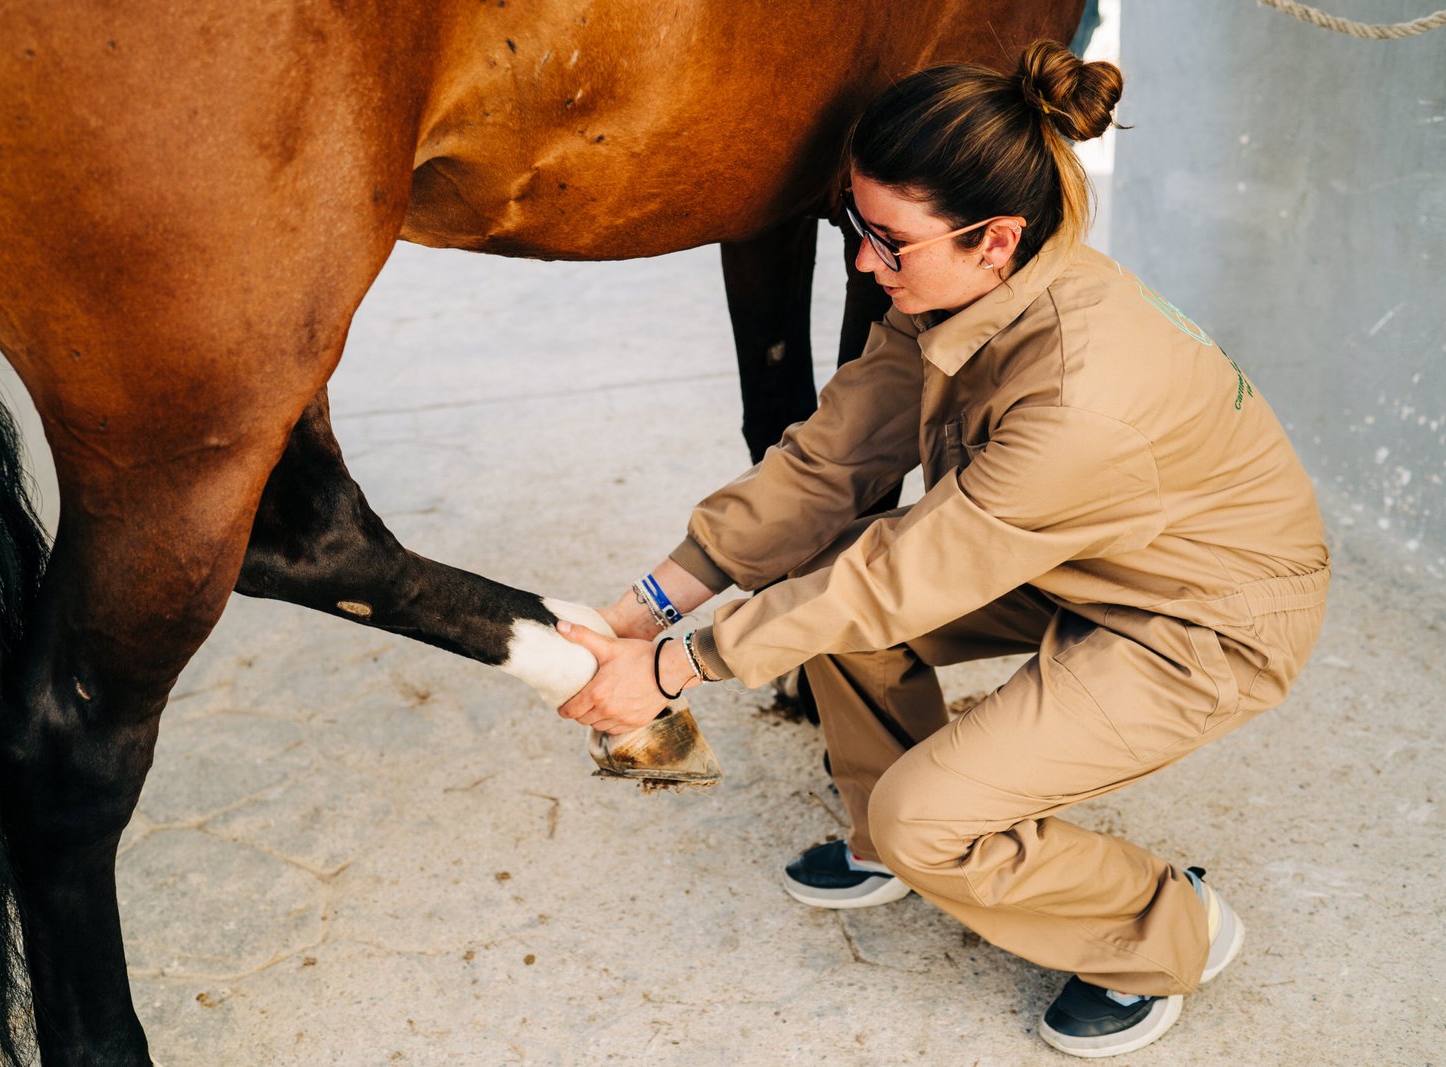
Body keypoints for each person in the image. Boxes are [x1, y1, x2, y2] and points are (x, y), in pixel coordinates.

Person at [554, 39, 1329, 1058]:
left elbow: (900, 577)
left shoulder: (1078, 399)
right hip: (1083, 558)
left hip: (1204, 615)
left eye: (888, 242)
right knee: (813, 596)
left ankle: (1163, 930)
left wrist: (673, 667)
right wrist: (638, 609)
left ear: (994, 238)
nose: (864, 265)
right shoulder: (957, 294)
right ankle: (891, 838)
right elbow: (826, 463)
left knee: (921, 788)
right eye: (854, 226)